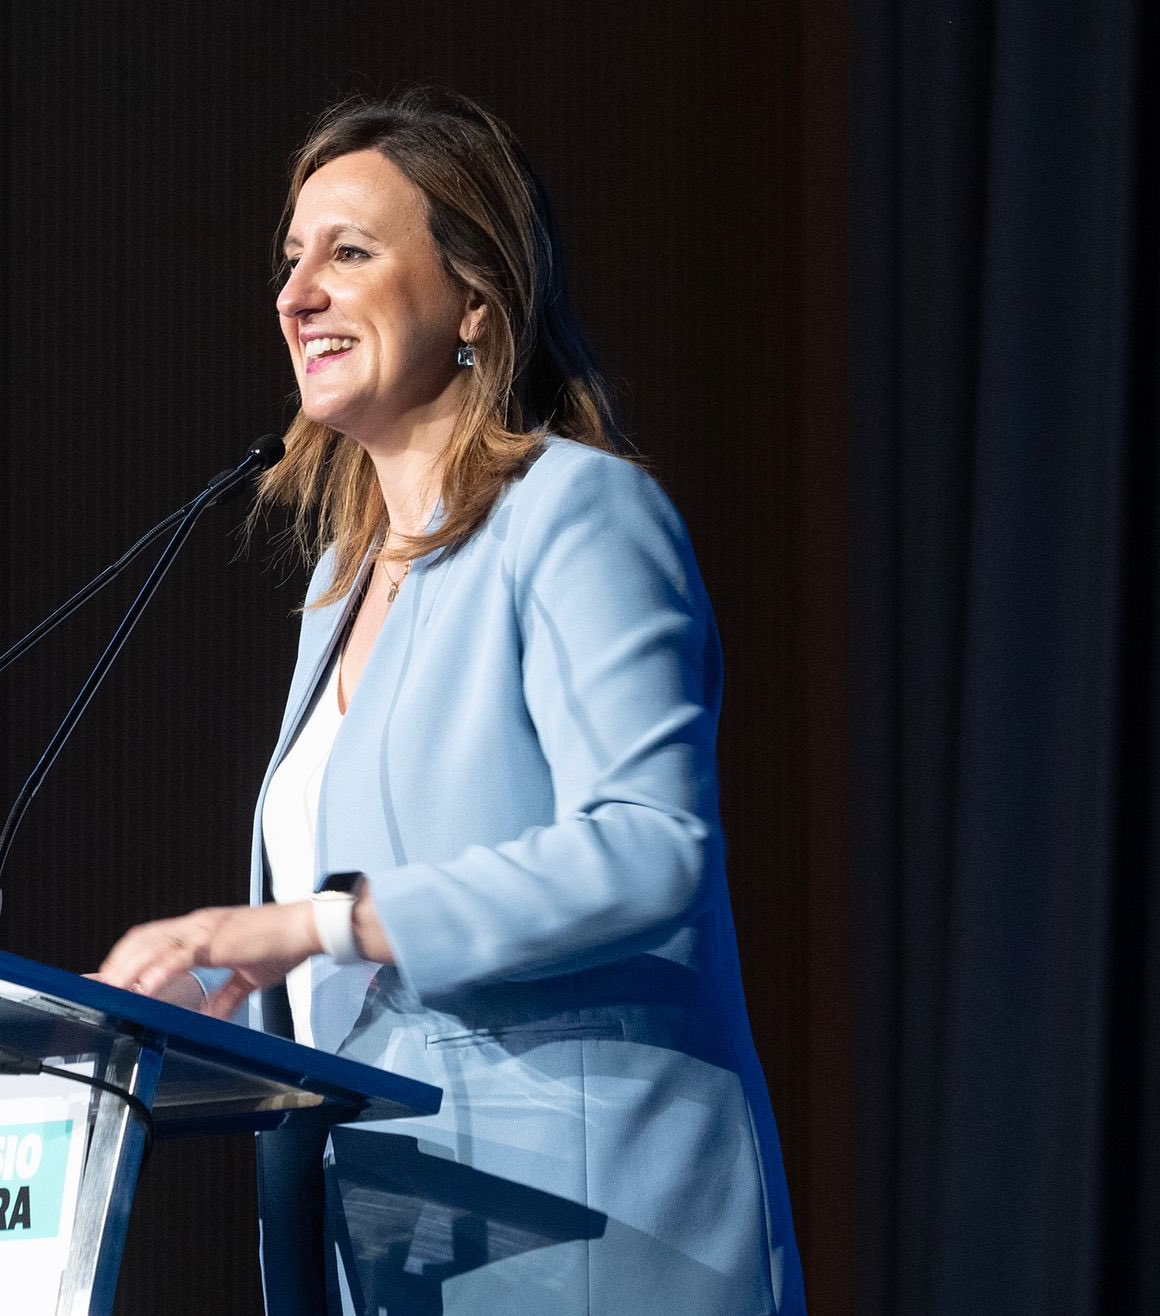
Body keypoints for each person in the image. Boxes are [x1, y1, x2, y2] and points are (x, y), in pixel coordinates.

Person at [96, 88, 806, 1314]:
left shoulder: (576, 513)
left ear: (473, 297)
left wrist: (311, 924)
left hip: (588, 1231)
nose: (296, 294)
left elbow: (651, 846)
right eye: (289, 260)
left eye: (347, 253)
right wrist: (216, 998)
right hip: (392, 1240)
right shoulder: (339, 581)